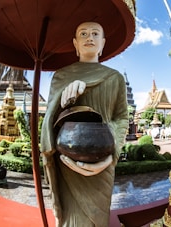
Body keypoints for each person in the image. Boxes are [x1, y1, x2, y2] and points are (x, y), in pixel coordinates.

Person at [41, 22, 128, 226]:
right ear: (75, 43)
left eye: (95, 33)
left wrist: (110, 157)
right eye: (83, 33)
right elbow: (48, 121)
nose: (89, 37)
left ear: (103, 43)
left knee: (98, 219)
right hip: (67, 161)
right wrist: (63, 99)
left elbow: (122, 117)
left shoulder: (115, 78)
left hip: (103, 161)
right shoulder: (60, 77)